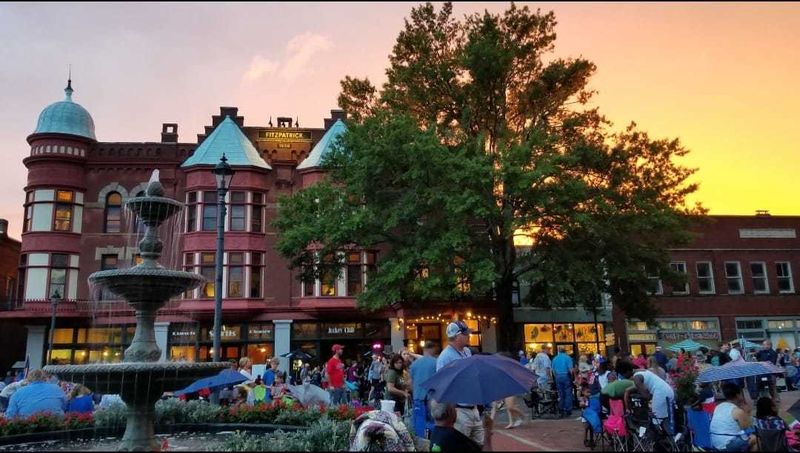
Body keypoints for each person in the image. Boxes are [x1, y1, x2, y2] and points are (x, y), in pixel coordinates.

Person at [436, 320, 485, 448]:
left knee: (480, 445)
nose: (469, 336)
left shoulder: (467, 352)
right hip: (459, 410)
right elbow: (442, 386)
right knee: (460, 446)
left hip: (473, 408)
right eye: (466, 334)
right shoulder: (445, 357)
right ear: (457, 336)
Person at [709, 382, 756, 451]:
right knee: (755, 438)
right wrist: (747, 413)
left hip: (715, 443)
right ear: (738, 395)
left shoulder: (718, 407)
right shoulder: (737, 411)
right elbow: (749, 429)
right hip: (726, 446)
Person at [409, 341, 438, 438]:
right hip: (432, 399)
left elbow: (411, 383)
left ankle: (421, 445)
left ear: (424, 349)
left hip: (418, 399)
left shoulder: (414, 365)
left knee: (419, 426)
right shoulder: (436, 362)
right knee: (434, 424)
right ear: (433, 349)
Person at [551, 346, 574, 419]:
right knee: (568, 393)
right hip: (566, 376)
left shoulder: (555, 358)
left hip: (558, 376)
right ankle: (568, 409)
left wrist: (556, 377)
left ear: (558, 351)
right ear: (565, 351)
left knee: (561, 394)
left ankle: (561, 409)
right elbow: (571, 369)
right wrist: (573, 377)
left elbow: (553, 371)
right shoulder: (568, 358)